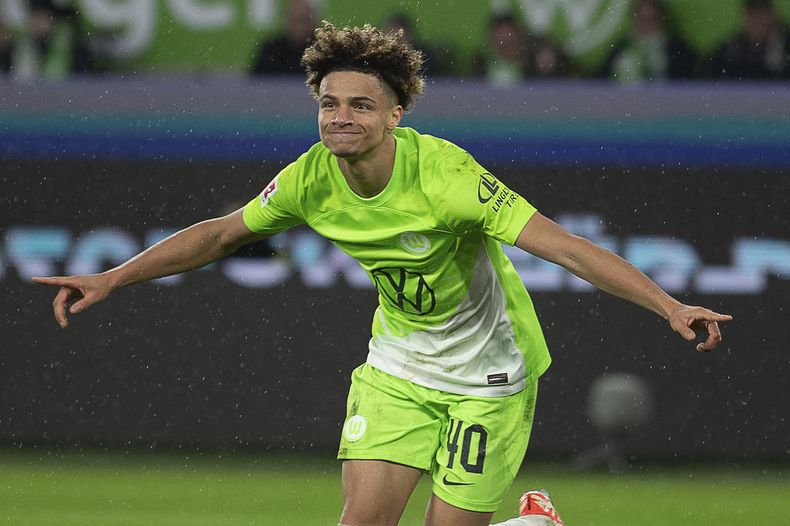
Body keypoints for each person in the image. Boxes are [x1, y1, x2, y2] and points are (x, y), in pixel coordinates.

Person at [33, 22, 732, 526]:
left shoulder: (447, 177)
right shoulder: (311, 177)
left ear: (395, 115)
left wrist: (668, 305)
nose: (341, 118)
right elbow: (220, 235)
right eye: (329, 103)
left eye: (360, 104)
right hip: (398, 367)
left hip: (489, 379)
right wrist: (111, 278)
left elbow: (567, 249)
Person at [600, 0, 698, 82]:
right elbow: (601, 78)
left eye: (650, 20)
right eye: (641, 19)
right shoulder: (622, 47)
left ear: (661, 19)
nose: (645, 26)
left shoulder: (676, 49)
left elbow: (688, 80)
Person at [710, 0, 790, 80]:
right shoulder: (729, 51)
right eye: (752, 15)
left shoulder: (786, 47)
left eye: (762, 14)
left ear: (773, 15)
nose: (757, 21)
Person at [250, 0, 315, 76]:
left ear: (313, 22)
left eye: (303, 20)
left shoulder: (323, 50)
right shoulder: (271, 50)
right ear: (286, 20)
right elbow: (256, 82)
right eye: (294, 19)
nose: (298, 26)